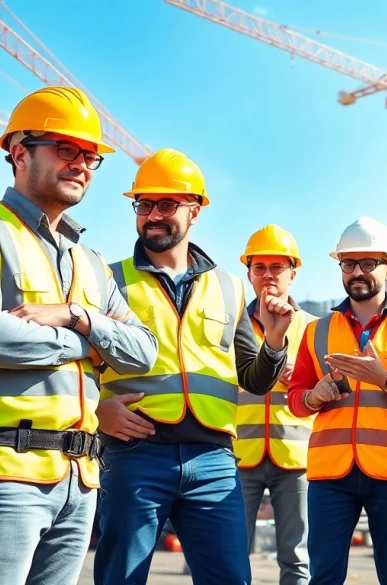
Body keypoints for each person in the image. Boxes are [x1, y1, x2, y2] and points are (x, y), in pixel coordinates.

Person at [0, 86, 159, 585]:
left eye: (90, 156)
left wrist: (76, 315)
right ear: (18, 153)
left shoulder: (90, 262)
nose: (80, 164)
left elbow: (143, 351)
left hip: (79, 478)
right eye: (65, 149)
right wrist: (89, 343)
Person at [93, 149, 293, 585]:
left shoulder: (229, 286)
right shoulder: (107, 279)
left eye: (167, 205)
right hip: (134, 453)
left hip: (214, 460)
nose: (152, 215)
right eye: (144, 204)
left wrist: (274, 339)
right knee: (120, 578)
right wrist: (95, 412)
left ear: (195, 211)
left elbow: (254, 380)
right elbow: (75, 363)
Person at [287, 217, 387, 585]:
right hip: (331, 472)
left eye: (369, 263)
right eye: (348, 264)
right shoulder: (316, 330)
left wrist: (384, 379)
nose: (357, 272)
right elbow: (295, 400)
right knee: (323, 576)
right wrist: (313, 396)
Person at [236, 224, 316, 585]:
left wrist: (299, 379)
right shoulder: (230, 324)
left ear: (292, 273)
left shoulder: (314, 328)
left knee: (297, 558)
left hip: (296, 457)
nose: (268, 275)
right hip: (239, 455)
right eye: (260, 267)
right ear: (249, 272)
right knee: (230, 553)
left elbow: (331, 390)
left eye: (277, 267)